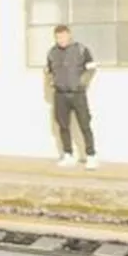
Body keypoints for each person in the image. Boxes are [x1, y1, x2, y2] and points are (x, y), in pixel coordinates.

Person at [46, 24, 98, 169]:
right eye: (57, 37)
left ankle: (91, 156)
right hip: (60, 95)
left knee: (84, 124)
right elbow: (49, 70)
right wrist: (52, 80)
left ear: (69, 35)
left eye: (63, 36)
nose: (60, 39)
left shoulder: (81, 49)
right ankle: (68, 154)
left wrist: (82, 82)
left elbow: (92, 68)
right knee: (63, 126)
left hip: (77, 94)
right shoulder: (52, 52)